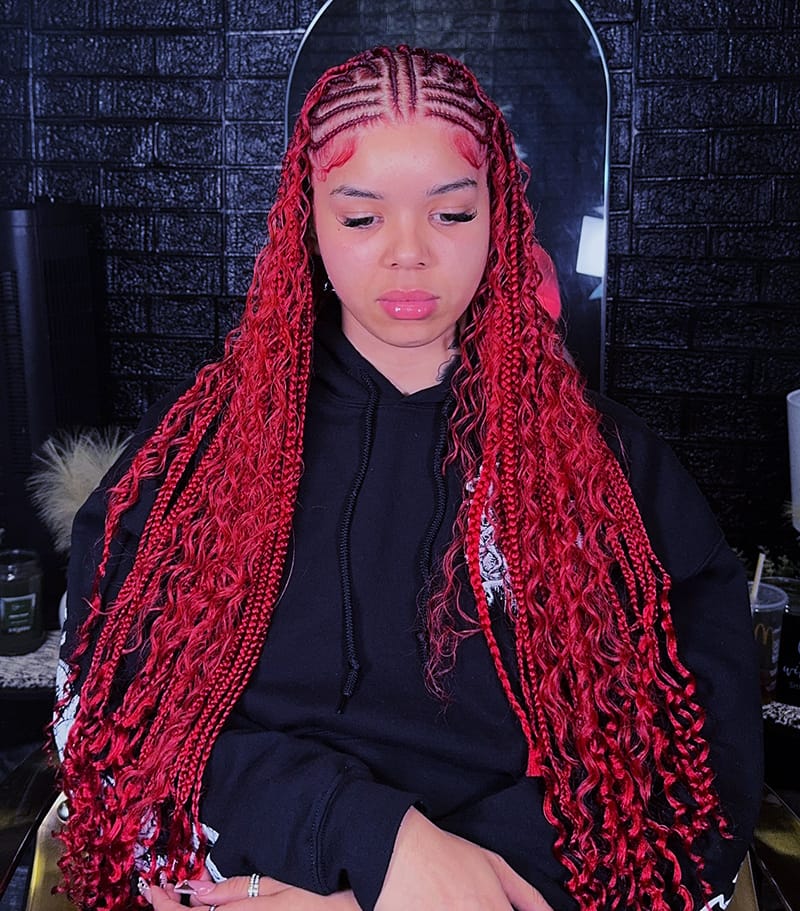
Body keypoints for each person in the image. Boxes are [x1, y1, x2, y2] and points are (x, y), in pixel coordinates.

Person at [54, 45, 762, 911]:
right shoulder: (196, 454)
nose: (408, 255)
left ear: (498, 216)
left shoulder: (611, 472)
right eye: (360, 218)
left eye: (451, 214)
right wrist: (373, 836)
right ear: (305, 222)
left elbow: (701, 757)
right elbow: (101, 712)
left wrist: (411, 894)